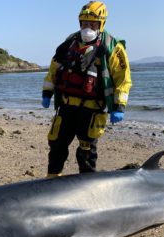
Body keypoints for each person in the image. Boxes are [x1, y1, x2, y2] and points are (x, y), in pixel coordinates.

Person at [41, 1, 132, 176]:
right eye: (84, 23)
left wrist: (119, 106)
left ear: (101, 24)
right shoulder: (68, 43)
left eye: (92, 24)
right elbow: (54, 69)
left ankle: (87, 186)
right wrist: (47, 93)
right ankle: (52, 180)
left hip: (92, 110)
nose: (87, 27)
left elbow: (123, 79)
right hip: (66, 107)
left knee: (87, 152)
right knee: (57, 145)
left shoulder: (112, 47)